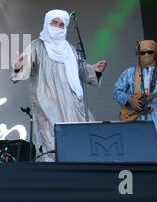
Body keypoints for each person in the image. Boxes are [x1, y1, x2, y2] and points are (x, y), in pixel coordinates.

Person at [11, 9, 107, 161]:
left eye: (61, 25)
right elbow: (24, 67)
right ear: (47, 24)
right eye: (54, 23)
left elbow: (80, 70)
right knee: (51, 140)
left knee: (81, 134)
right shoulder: (37, 46)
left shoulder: (70, 50)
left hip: (72, 102)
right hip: (47, 102)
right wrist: (20, 64)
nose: (57, 27)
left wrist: (94, 69)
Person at [113, 40, 157, 161]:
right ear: (138, 54)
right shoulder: (129, 73)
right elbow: (117, 91)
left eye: (149, 52)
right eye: (142, 53)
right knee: (137, 151)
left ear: (154, 53)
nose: (146, 55)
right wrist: (129, 100)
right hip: (135, 118)